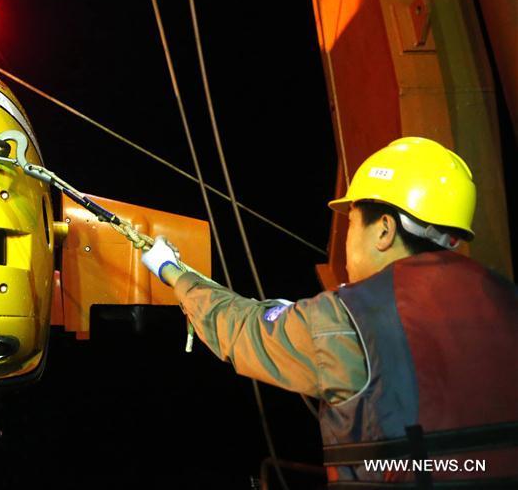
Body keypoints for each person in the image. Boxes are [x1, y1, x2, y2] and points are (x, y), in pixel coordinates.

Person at [142, 137, 517, 488]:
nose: (347, 237)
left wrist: (172, 272)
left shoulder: (349, 318)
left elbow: (243, 330)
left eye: (351, 223)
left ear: (384, 230)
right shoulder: (505, 296)